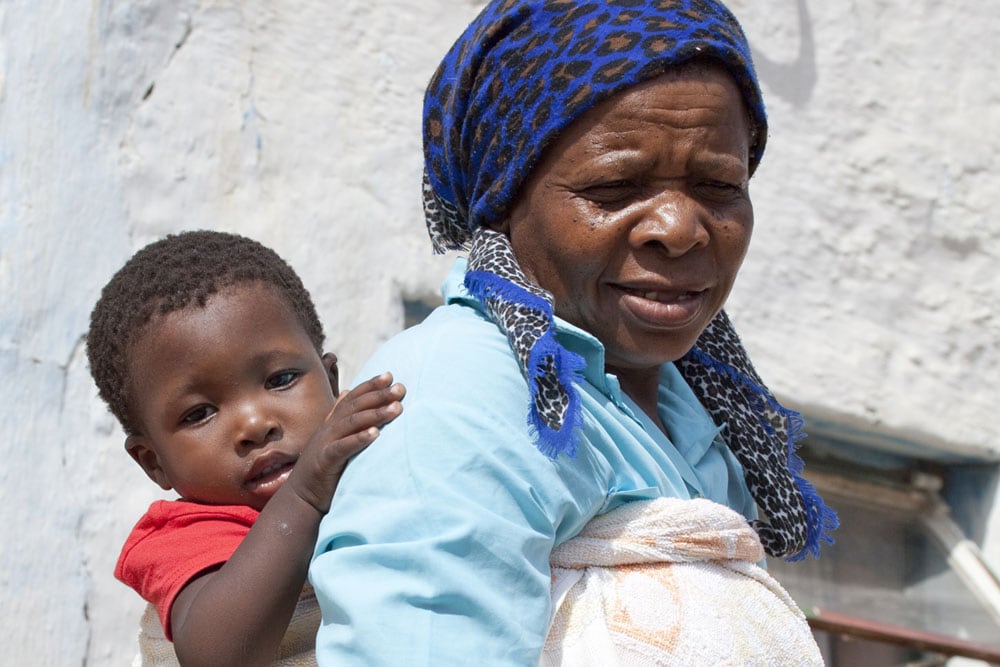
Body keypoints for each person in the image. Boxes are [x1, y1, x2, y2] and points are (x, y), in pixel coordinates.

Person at [311, 1, 838, 664]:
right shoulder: (462, 394)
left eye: (718, 183)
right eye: (616, 186)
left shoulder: (696, 407)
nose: (679, 227)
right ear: (504, 197)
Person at [86, 230, 405, 666]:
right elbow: (218, 656)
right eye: (199, 414)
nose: (254, 425)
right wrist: (305, 495)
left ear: (331, 383)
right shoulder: (185, 537)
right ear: (153, 462)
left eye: (280, 380)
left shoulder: (372, 467)